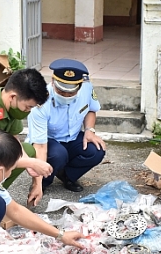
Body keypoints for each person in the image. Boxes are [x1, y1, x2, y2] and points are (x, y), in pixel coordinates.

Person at [26, 59, 106, 205]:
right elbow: (40, 146)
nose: (66, 95)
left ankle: (67, 175)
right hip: (48, 141)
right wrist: (36, 184)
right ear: (52, 81)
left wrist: (89, 130)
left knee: (96, 150)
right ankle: (44, 181)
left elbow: (91, 109)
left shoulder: (86, 88)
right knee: (58, 154)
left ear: (79, 86)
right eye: (61, 91)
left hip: (72, 137)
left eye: (71, 92)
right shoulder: (40, 102)